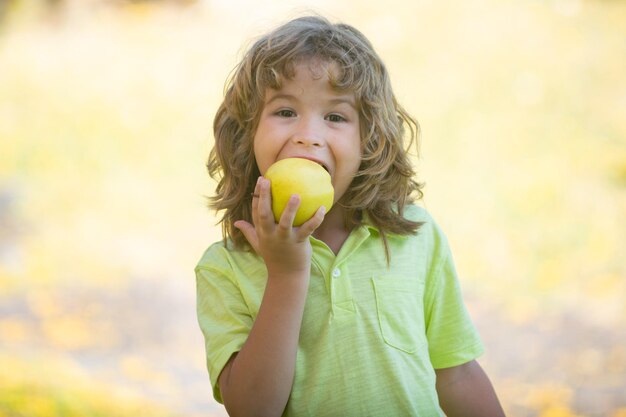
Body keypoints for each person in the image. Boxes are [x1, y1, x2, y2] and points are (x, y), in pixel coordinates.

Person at [196, 15, 505, 417]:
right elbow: (253, 409)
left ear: (368, 143)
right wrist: (286, 275)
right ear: (246, 133)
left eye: (336, 117)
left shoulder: (415, 238)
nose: (308, 134)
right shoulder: (226, 268)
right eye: (285, 111)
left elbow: (457, 374)